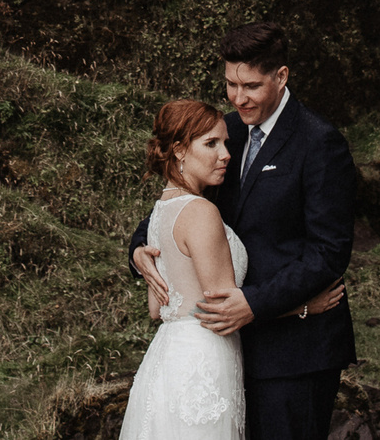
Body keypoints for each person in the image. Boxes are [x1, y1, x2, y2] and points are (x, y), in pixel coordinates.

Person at [129, 23, 358, 440]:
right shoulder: (224, 132)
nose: (238, 98)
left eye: (251, 86)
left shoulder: (319, 142)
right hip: (223, 352)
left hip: (294, 353)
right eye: (231, 84)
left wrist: (255, 303)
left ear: (281, 76)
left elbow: (329, 252)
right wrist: (138, 250)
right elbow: (176, 204)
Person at [120, 99, 250, 439]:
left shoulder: (160, 212)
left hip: (168, 356)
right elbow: (224, 307)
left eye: (225, 143)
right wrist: (302, 306)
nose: (226, 154)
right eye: (211, 144)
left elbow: (156, 308)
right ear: (179, 150)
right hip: (203, 362)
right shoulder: (201, 212)